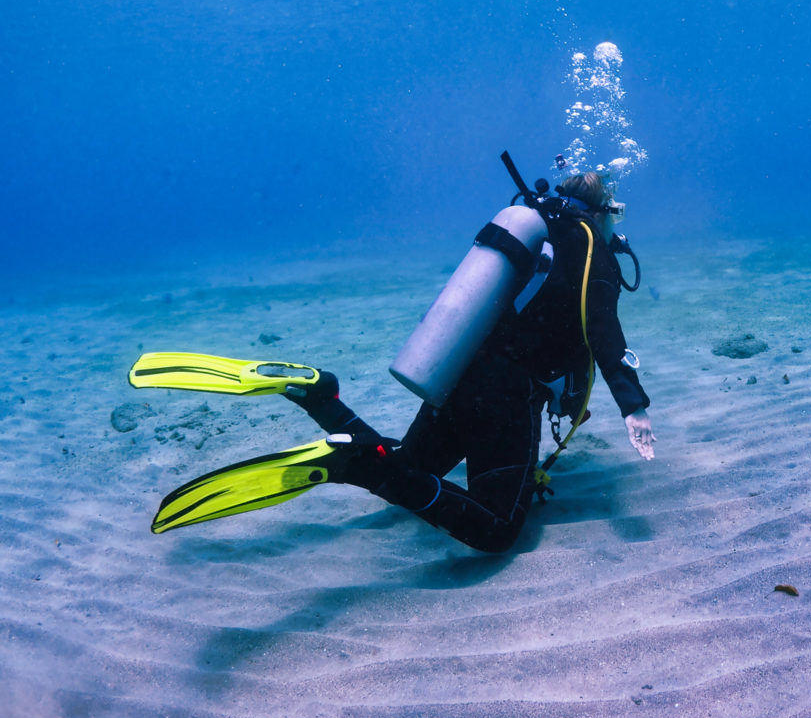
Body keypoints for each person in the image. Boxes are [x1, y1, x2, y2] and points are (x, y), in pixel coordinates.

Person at [142, 170, 655, 554]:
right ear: (604, 211)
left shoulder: (540, 235)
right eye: (618, 213)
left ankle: (321, 396)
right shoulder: (592, 253)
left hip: (459, 372)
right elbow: (604, 334)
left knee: (409, 470)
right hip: (506, 395)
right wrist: (634, 406)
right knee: (496, 530)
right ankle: (348, 462)